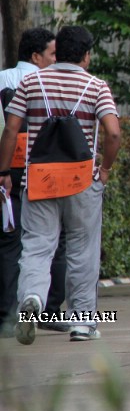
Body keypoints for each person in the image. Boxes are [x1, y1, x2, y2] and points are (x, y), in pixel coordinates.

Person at [0, 26, 120, 344]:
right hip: (81, 179)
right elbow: (114, 133)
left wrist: (3, 171)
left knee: (37, 245)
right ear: (85, 55)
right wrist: (104, 171)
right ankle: (82, 323)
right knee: (82, 248)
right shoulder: (96, 86)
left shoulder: (31, 82)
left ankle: (32, 301)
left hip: (39, 178)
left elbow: (11, 130)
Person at [0, 29, 69, 336]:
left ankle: (7, 314)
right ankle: (47, 308)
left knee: (8, 239)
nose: (56, 60)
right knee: (51, 238)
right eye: (53, 54)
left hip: (5, 168)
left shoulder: (2, 79)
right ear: (36, 56)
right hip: (40, 168)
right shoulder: (46, 82)